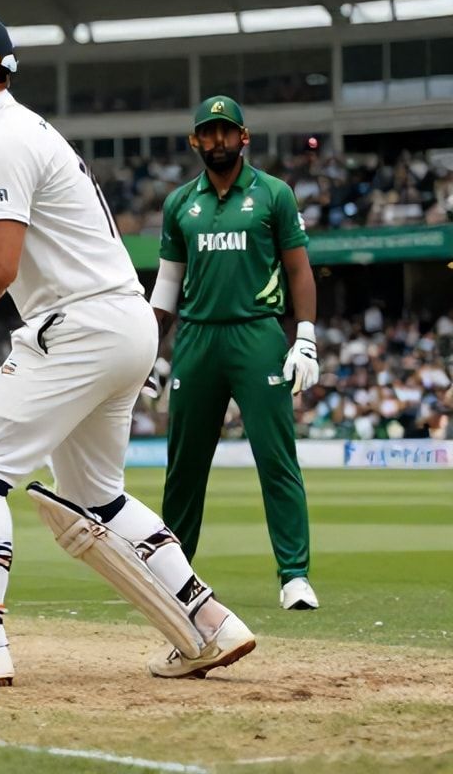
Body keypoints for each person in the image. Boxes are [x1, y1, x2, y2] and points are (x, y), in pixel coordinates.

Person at [0, 7, 254, 686]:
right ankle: (209, 624)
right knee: (98, 496)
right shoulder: (13, 134)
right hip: (122, 323)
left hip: (79, 325)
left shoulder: (0, 140)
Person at [151, 96, 319, 610]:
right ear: (194, 140)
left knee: (276, 459)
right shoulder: (180, 203)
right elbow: (167, 285)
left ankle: (294, 576)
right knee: (184, 465)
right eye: (208, 132)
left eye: (226, 132)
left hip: (257, 333)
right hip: (196, 338)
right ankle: (172, 578)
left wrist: (305, 336)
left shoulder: (273, 195)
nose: (217, 140)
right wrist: (149, 353)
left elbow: (298, 270)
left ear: (244, 138)